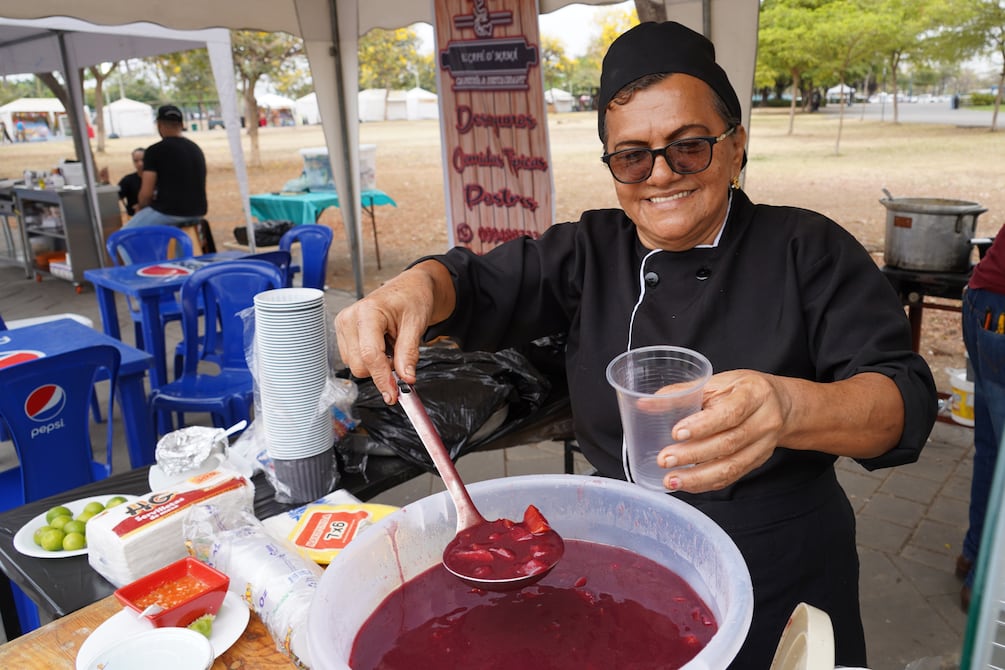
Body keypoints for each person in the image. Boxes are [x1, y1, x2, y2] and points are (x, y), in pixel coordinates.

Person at [334, 21, 937, 669]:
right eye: (631, 155)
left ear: (735, 147)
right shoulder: (588, 249)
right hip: (624, 547)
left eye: (689, 147)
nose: (659, 174)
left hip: (775, 557)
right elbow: (471, 284)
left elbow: (901, 404)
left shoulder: (805, 250)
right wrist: (413, 289)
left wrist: (791, 409)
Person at [958, 228, 1005, 610]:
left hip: (982, 300)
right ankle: (985, 582)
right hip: (998, 312)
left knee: (992, 450)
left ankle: (972, 555)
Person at [125, 105, 207, 228]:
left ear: (159, 125)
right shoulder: (195, 149)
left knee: (122, 239)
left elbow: (146, 194)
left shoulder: (154, 151)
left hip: (168, 212)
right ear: (181, 124)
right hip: (198, 212)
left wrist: (141, 208)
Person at [99, 148, 145, 217]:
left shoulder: (159, 178)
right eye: (136, 161)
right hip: (134, 217)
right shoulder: (128, 180)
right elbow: (115, 197)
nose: (140, 164)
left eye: (143, 160)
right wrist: (106, 183)